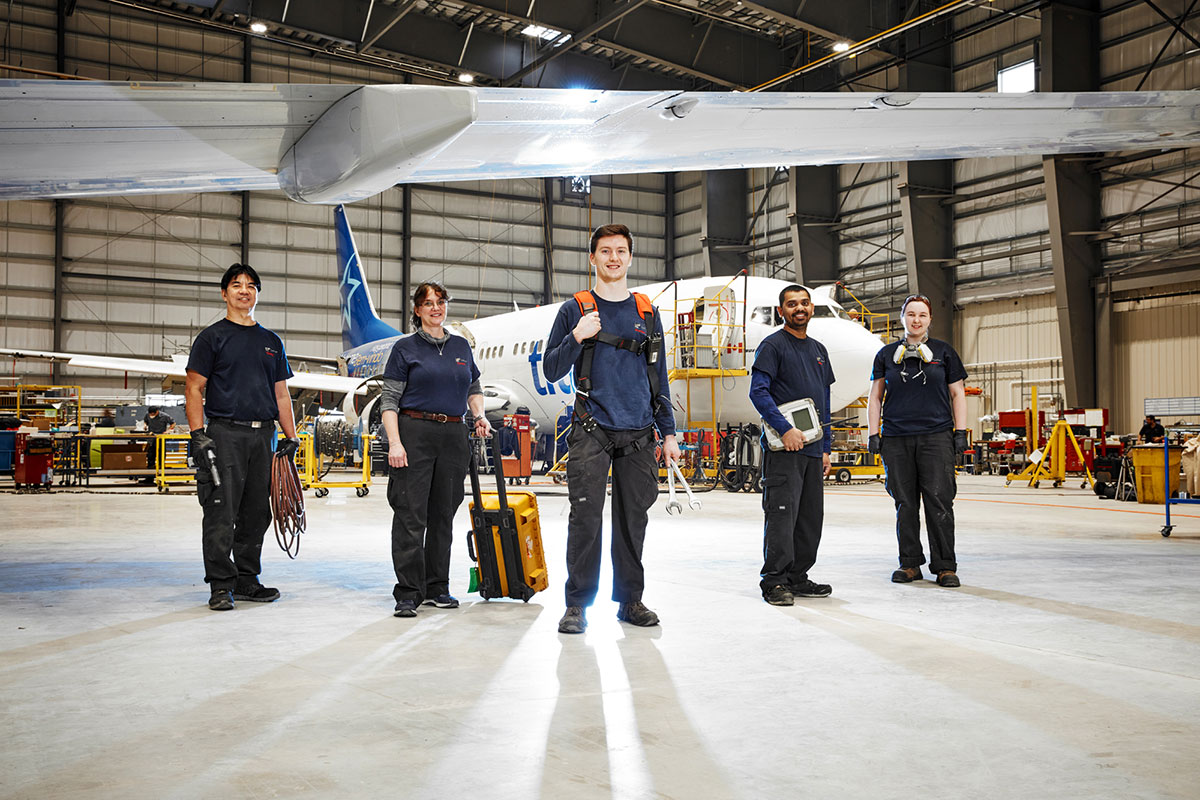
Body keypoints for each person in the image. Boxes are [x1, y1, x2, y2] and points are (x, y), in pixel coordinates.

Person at [543, 223, 681, 634]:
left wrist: (668, 433)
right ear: (593, 258)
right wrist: (575, 336)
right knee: (585, 519)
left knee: (633, 520)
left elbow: (659, 377)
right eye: (606, 251)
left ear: (630, 258)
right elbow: (552, 369)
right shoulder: (575, 309)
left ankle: (630, 601)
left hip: (639, 431)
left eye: (621, 251)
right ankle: (577, 605)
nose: (614, 258)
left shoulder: (645, 312)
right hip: (592, 428)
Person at [185, 263, 299, 611]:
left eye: (251, 285)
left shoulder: (270, 341)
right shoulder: (212, 338)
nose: (244, 290)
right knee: (221, 510)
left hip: (261, 437)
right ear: (225, 293)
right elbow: (194, 388)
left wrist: (291, 437)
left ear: (257, 294)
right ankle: (221, 584)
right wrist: (198, 435)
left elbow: (281, 394)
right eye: (237, 285)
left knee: (255, 512)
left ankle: (247, 579)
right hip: (224, 435)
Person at [380, 281, 491, 618]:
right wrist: (396, 443)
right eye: (427, 303)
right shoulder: (405, 349)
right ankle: (409, 592)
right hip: (415, 432)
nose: (435, 308)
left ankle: (437, 587)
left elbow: (473, 387)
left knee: (443, 515)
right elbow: (389, 401)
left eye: (440, 302)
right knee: (411, 516)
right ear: (417, 310)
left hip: (453, 435)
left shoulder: (460, 346)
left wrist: (480, 415)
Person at [867, 294, 968, 588]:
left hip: (936, 437)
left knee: (939, 501)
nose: (916, 320)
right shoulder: (886, 355)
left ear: (929, 320)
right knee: (905, 504)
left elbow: (958, 393)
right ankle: (910, 564)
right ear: (902, 318)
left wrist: (959, 432)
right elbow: (875, 396)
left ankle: (945, 566)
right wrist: (874, 433)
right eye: (910, 314)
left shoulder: (943, 352)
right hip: (897, 438)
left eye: (922, 315)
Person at [749, 284, 836, 606]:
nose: (799, 308)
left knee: (810, 519)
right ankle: (774, 581)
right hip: (784, 451)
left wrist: (827, 446)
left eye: (804, 303)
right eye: (792, 304)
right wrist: (785, 430)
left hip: (813, 451)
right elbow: (758, 392)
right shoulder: (773, 346)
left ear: (810, 308)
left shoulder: (818, 350)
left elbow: (824, 402)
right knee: (782, 517)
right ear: (781, 310)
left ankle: (798, 577)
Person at [141, 406, 176, 481]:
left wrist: (168, 431)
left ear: (157, 412)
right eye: (151, 414)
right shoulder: (148, 415)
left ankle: (160, 476)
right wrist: (145, 425)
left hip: (161, 438)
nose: (152, 415)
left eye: (153, 414)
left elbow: (173, 423)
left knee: (161, 456)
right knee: (150, 456)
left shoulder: (164, 416)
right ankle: (149, 478)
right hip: (151, 438)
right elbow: (145, 421)